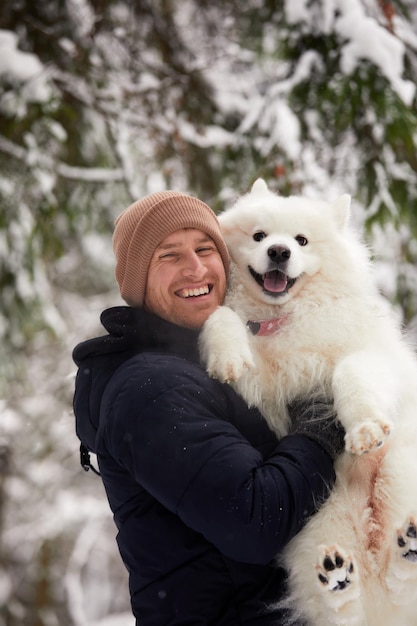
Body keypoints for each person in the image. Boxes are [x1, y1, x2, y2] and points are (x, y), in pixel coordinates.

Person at [72, 190, 345, 625]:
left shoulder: (206, 361)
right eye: (169, 256)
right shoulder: (152, 389)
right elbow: (255, 522)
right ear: (138, 279)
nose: (195, 269)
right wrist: (320, 426)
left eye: (205, 249)